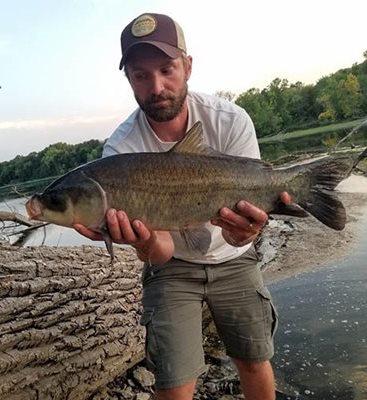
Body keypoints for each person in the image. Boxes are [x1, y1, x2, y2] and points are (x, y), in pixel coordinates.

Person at [75, 12, 290, 400]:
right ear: (129, 80)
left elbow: (239, 230)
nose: (156, 86)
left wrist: (247, 229)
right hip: (171, 268)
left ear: (188, 66)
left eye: (166, 69)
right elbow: (162, 252)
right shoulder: (120, 151)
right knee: (172, 384)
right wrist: (142, 243)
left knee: (255, 359)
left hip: (234, 255)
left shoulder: (230, 120)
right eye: (141, 75)